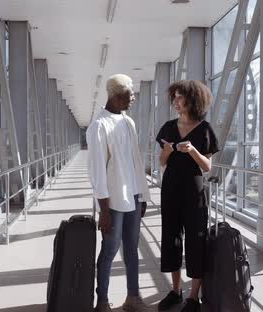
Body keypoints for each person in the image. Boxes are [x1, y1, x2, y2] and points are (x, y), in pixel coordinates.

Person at [87, 74, 152, 312]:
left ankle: (132, 298)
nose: (132, 98)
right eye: (129, 94)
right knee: (110, 249)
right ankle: (102, 301)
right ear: (115, 96)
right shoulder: (98, 126)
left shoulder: (128, 122)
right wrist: (103, 210)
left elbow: (136, 163)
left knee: (132, 249)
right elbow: (97, 171)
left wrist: (142, 195)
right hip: (112, 201)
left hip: (133, 196)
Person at [155, 80, 219, 312]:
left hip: (194, 192)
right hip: (170, 189)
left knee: (195, 240)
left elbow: (208, 166)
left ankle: (193, 296)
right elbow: (161, 162)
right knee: (171, 238)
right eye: (175, 97)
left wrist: (192, 150)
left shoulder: (205, 129)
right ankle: (175, 291)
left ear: (193, 100)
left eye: (180, 97)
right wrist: (166, 151)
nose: (175, 101)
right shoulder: (168, 127)